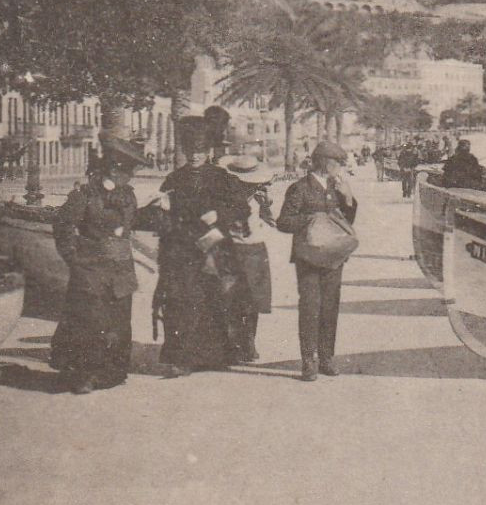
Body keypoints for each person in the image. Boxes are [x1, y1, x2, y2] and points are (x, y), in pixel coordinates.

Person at [50, 137, 157, 394]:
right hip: (91, 270)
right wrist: (73, 259)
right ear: (111, 168)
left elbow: (133, 222)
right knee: (89, 323)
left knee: (118, 322)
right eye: (125, 172)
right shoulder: (84, 195)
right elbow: (62, 226)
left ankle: (111, 373)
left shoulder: (128, 196)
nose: (129, 178)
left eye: (130, 173)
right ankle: (83, 376)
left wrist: (155, 211)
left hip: (120, 268)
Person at [154, 116, 255, 376]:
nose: (195, 156)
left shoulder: (222, 177)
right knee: (182, 301)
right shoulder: (174, 178)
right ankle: (183, 358)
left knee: (217, 300)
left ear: (209, 151)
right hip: (182, 249)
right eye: (190, 151)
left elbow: (242, 207)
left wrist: (218, 215)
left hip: (216, 249)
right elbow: (161, 215)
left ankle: (216, 355)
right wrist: (163, 209)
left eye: (199, 151)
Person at [275, 139, 359, 382]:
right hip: (308, 258)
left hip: (334, 257)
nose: (340, 168)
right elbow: (284, 221)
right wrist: (313, 221)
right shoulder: (300, 188)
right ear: (324, 163)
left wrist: (349, 199)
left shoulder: (337, 187)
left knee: (330, 307)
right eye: (337, 164)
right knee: (311, 308)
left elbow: (348, 221)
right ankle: (308, 360)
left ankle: (326, 358)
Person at [217, 154, 276, 363]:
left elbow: (272, 221)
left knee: (253, 300)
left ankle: (249, 342)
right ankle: (233, 344)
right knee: (230, 298)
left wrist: (266, 206)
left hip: (255, 250)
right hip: (231, 249)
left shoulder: (261, 195)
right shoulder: (225, 197)